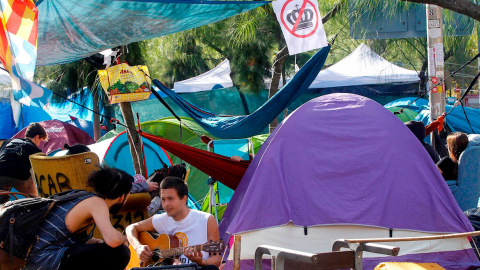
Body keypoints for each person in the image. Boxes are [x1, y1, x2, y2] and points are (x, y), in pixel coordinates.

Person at [25, 166, 132, 270]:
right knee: (121, 252)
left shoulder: (84, 197)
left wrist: (99, 242)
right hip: (45, 261)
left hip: (37, 260)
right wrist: (124, 239)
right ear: (122, 197)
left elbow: (74, 240)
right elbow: (113, 240)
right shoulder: (97, 203)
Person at [126, 176, 221, 270]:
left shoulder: (206, 220)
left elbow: (216, 259)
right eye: (163, 199)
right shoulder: (161, 219)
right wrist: (138, 247)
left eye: (170, 199)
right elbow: (130, 228)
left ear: (184, 199)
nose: (166, 204)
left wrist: (202, 262)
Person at [0, 123, 47, 202]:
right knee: (35, 200)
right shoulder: (33, 149)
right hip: (18, 174)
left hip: (0, 171)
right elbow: (37, 172)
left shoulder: (7, 142)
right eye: (40, 141)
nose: (39, 144)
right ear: (37, 137)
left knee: (2, 199)